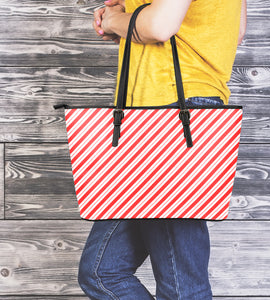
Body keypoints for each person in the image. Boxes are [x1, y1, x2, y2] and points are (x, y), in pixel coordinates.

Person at [78, 0, 247, 299]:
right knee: (101, 271)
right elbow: (234, 31)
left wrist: (114, 20)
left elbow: (159, 25)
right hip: (155, 118)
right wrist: (127, 19)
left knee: (182, 287)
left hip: (171, 115)